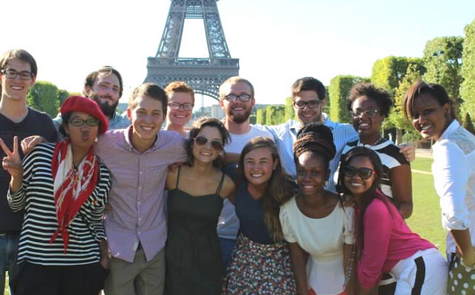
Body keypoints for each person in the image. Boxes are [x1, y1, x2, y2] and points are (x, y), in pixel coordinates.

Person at [1, 96, 111, 295]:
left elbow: (96, 220)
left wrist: (104, 257)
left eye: (91, 122)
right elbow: (17, 205)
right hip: (36, 261)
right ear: (66, 127)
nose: (85, 128)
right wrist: (16, 177)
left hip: (83, 264)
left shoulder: (101, 173)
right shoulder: (40, 155)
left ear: (98, 129)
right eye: (77, 122)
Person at [96, 83, 187, 295]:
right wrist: (42, 141)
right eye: (142, 112)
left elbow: (207, 151)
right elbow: (73, 148)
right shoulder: (105, 143)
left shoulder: (174, 144)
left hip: (154, 247)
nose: (148, 120)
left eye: (156, 113)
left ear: (164, 116)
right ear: (128, 113)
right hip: (118, 247)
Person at [257, 77, 415, 191]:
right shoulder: (279, 133)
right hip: (289, 208)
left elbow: (372, 134)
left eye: (312, 102)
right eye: (300, 103)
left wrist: (403, 149)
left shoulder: (345, 131)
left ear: (323, 103)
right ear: (293, 105)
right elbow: (247, 131)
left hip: (328, 209)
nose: (306, 108)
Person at [337, 147, 447, 295]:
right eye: (350, 170)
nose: (356, 177)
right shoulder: (360, 204)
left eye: (364, 173)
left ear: (375, 176)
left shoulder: (375, 208)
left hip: (420, 267)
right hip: (412, 269)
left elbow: (371, 265)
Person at [403, 81, 475, 295]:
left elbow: (453, 212)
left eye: (427, 111)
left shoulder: (447, 147)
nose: (421, 120)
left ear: (446, 108)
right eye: (415, 115)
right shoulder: (465, 137)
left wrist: (468, 257)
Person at [343, 83, 413, 295]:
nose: (362, 116)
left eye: (370, 112)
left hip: (378, 241)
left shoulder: (395, 155)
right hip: (346, 239)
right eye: (356, 112)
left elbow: (407, 206)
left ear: (383, 116)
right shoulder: (346, 149)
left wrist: (376, 221)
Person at [0, 49, 58, 295]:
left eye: (25, 74)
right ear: (1, 76)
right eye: (11, 72)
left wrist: (46, 147)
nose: (18, 80)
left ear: (33, 80)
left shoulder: (45, 125)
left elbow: (59, 173)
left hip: (31, 236)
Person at [280, 123, 355, 295]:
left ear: (327, 175)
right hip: (311, 282)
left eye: (315, 173)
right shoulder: (287, 211)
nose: (307, 179)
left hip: (344, 283)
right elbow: (297, 259)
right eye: (301, 171)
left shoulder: (345, 209)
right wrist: (303, 291)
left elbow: (350, 260)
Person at [165, 117, 234, 295]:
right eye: (202, 140)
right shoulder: (172, 174)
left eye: (216, 144)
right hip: (171, 259)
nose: (208, 147)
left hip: (208, 262)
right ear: (192, 141)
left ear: (220, 150)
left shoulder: (226, 184)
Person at [222, 137, 296, 295]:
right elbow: (217, 156)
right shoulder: (236, 177)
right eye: (250, 161)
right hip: (243, 262)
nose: (256, 168)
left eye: (263, 161)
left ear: (275, 163)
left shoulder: (289, 190)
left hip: (279, 263)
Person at [217, 76, 274, 268]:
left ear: (253, 102)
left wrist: (231, 158)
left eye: (244, 96)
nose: (238, 101)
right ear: (221, 102)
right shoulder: (209, 138)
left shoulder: (266, 137)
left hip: (256, 238)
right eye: (231, 96)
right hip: (217, 234)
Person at [53, 66, 130, 131]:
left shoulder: (128, 126)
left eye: (115, 89)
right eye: (103, 85)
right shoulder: (67, 119)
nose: (110, 92)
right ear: (88, 90)